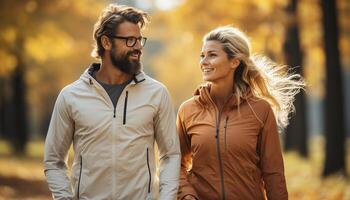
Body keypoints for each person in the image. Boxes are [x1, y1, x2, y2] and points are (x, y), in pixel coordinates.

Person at [44, 4, 180, 200]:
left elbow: (170, 155)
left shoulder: (157, 93)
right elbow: (53, 161)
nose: (138, 48)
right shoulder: (71, 96)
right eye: (130, 40)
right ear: (106, 42)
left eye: (140, 40)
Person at [177, 26, 305, 200]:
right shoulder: (188, 110)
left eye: (212, 55)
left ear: (234, 62)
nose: (204, 61)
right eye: (202, 55)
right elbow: (175, 163)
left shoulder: (260, 110)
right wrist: (186, 194)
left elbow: (273, 173)